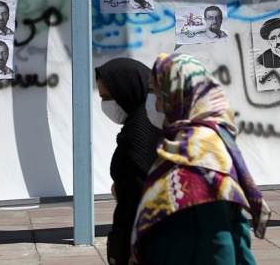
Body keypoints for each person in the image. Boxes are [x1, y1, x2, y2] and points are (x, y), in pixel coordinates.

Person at [131, 53, 270, 265]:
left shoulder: (201, 150)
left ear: (177, 92)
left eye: (155, 92)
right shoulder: (182, 143)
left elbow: (218, 234)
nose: (154, 104)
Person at [95, 58, 162, 265]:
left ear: (128, 88)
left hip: (141, 239)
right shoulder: (155, 120)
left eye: (108, 97)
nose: (106, 105)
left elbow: (138, 193)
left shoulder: (138, 133)